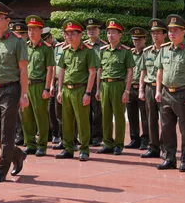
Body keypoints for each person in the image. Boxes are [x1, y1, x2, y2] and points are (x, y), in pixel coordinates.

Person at [0, 0, 29, 183]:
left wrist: (24, 94)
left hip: (11, 89)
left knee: (7, 132)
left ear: (7, 20)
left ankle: (1, 170)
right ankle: (17, 155)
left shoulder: (17, 41)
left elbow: (23, 69)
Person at [154, 14, 185, 172]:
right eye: (170, 30)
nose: (172, 33)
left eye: (175, 30)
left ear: (183, 32)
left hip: (183, 93)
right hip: (167, 93)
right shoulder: (164, 49)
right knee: (167, 128)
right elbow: (160, 71)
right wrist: (158, 90)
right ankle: (169, 158)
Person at [56, 20, 97, 161]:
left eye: (73, 33)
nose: (69, 36)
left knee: (82, 121)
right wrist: (60, 90)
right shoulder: (65, 51)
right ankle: (68, 148)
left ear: (80, 35)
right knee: (66, 121)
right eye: (67, 33)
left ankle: (84, 149)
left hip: (80, 89)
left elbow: (92, 72)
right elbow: (61, 70)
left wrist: (88, 93)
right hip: (67, 89)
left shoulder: (88, 51)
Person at [97, 19, 134, 155]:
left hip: (118, 85)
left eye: (113, 33)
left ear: (120, 35)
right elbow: (99, 70)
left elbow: (130, 71)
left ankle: (118, 144)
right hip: (105, 84)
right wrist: (97, 89)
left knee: (119, 116)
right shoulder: (103, 51)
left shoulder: (125, 51)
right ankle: (107, 143)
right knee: (105, 115)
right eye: (108, 32)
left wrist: (127, 90)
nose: (110, 35)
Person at [22, 15, 54, 156]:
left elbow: (50, 69)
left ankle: (42, 145)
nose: (31, 32)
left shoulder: (46, 48)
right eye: (29, 29)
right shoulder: (24, 47)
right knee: (26, 115)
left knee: (41, 116)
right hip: (26, 86)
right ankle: (30, 143)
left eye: (34, 29)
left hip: (40, 85)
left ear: (41, 31)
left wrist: (47, 88)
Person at [139, 18, 168, 158]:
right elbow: (143, 71)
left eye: (158, 33)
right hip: (150, 87)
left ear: (164, 35)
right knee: (151, 118)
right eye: (153, 33)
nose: (155, 36)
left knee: (166, 119)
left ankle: (164, 147)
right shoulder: (147, 52)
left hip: (164, 89)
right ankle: (153, 147)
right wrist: (141, 89)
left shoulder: (169, 51)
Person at [84, 18, 107, 146]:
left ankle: (97, 135)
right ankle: (87, 135)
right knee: (85, 110)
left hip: (98, 82)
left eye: (94, 29)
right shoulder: (83, 45)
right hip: (85, 81)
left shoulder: (103, 46)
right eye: (89, 29)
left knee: (98, 110)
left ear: (99, 30)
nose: (91, 31)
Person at [126, 27, 149, 149]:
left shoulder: (148, 52)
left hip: (143, 88)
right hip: (131, 88)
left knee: (145, 115)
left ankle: (146, 139)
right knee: (131, 114)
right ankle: (134, 138)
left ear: (145, 39)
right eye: (135, 40)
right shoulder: (130, 53)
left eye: (139, 40)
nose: (137, 42)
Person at [11, 21, 29, 146]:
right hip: (15, 82)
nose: (19, 35)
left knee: (27, 114)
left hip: (30, 83)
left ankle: (28, 137)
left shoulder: (30, 47)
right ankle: (19, 135)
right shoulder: (13, 46)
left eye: (22, 33)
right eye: (16, 33)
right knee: (16, 113)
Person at [51, 34, 68, 149]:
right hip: (59, 84)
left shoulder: (83, 49)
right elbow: (54, 67)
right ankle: (63, 138)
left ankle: (73, 140)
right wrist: (52, 84)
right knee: (59, 113)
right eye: (66, 33)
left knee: (72, 115)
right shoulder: (58, 47)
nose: (68, 36)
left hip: (75, 84)